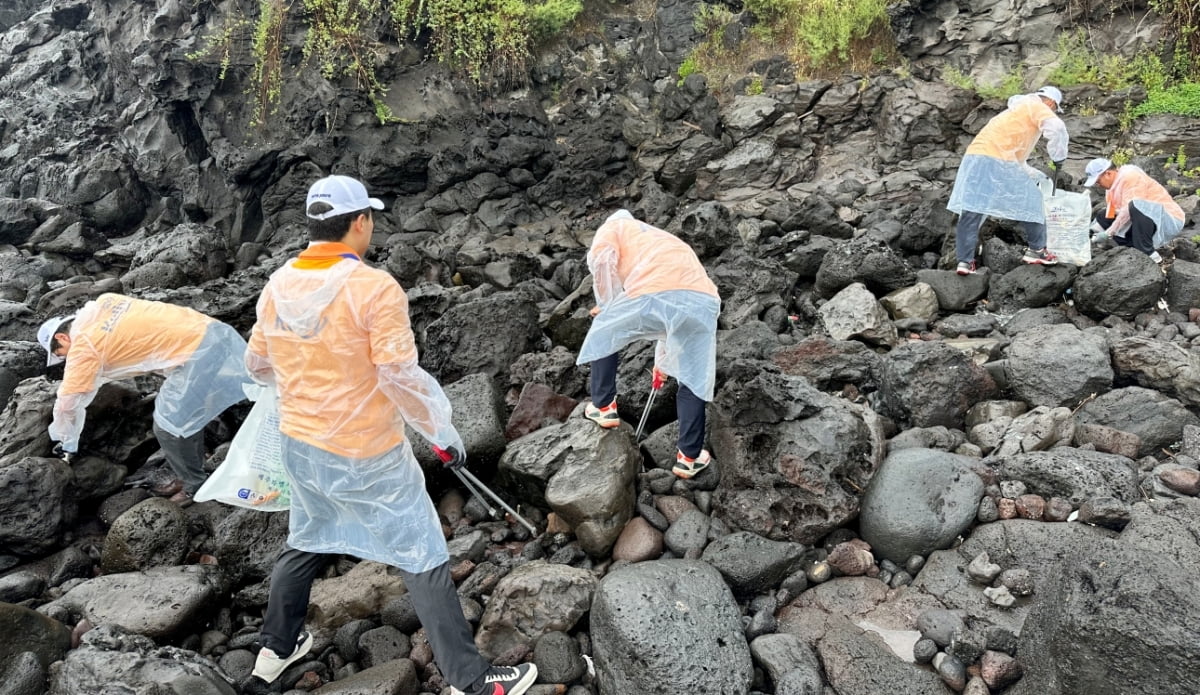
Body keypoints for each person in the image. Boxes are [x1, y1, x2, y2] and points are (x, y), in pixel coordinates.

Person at [243, 175, 536, 695]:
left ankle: (276, 650)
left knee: (306, 538)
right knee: (422, 553)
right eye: (370, 218)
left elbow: (258, 365)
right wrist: (440, 433)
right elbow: (399, 376)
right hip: (366, 450)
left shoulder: (278, 284)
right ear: (360, 222)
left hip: (300, 445)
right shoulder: (373, 288)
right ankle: (473, 681)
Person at [38, 295, 251, 505]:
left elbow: (68, 403)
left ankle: (194, 485)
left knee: (167, 428)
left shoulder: (83, 347)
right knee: (186, 414)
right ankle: (196, 467)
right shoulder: (104, 303)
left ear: (62, 338)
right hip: (213, 330)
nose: (66, 359)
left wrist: (65, 440)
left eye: (62, 354)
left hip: (196, 354)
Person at [575, 209, 721, 480]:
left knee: (605, 332)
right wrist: (662, 364)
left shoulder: (613, 228)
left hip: (654, 291)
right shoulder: (659, 238)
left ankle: (603, 406)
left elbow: (603, 259)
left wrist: (607, 306)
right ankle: (689, 457)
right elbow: (672, 320)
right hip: (704, 301)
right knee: (694, 376)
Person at [947, 85, 1069, 275]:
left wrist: (1036, 175)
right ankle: (1037, 250)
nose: (1052, 112)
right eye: (1054, 109)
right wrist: (1058, 157)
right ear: (1051, 103)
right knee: (1033, 199)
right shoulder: (1036, 106)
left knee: (973, 207)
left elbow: (1014, 160)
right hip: (998, 159)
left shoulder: (1014, 112)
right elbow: (1057, 128)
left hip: (975, 156)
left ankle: (964, 262)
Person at [1084, 157, 1185, 263]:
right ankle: (1126, 247)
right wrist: (1092, 232)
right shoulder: (1111, 188)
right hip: (1144, 219)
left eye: (1098, 181)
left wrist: (1107, 233)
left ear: (1108, 174)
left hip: (1168, 219)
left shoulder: (1131, 177)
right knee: (1103, 215)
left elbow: (1129, 210)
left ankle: (1149, 254)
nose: (1098, 185)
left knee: (1135, 205)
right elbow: (1111, 212)